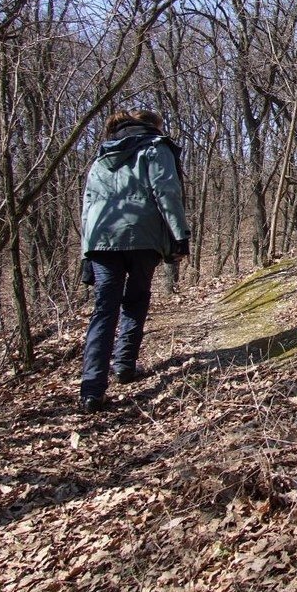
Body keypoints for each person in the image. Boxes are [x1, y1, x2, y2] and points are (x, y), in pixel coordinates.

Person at [78, 109, 190, 413]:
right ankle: (125, 365)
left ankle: (92, 389)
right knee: (136, 298)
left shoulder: (102, 155)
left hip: (100, 238)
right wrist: (180, 235)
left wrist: (86, 253)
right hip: (142, 236)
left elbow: (88, 205)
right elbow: (166, 191)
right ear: (152, 125)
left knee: (104, 309)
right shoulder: (156, 147)